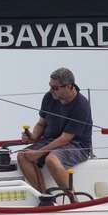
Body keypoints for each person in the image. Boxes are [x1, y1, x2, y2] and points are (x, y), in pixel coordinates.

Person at [17, 67, 93, 199]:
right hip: (51, 140)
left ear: (69, 86)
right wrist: (32, 136)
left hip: (77, 145)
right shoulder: (49, 97)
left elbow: (65, 138)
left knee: (51, 159)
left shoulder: (81, 105)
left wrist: (39, 152)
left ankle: (73, 200)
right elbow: (41, 123)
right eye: (50, 87)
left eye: (55, 88)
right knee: (23, 156)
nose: (51, 90)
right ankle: (46, 198)